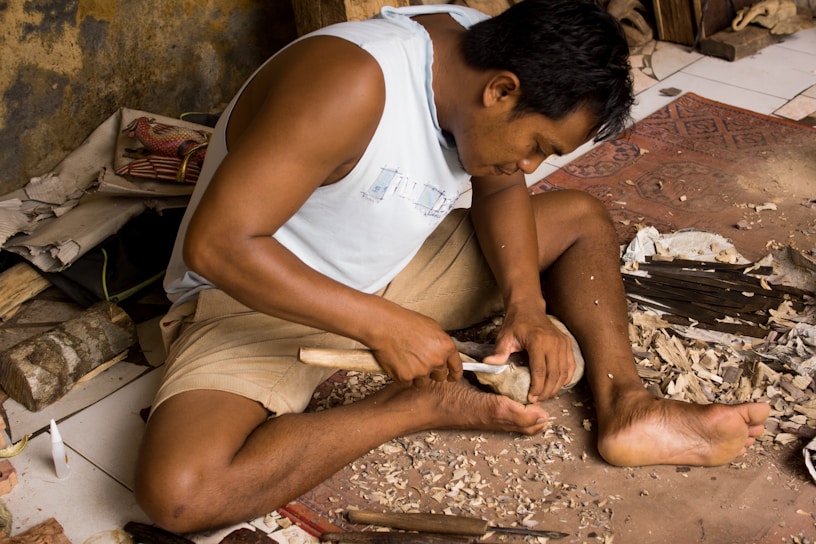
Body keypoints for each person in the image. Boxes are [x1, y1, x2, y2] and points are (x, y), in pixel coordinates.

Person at [134, 0, 770, 533]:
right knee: (181, 497)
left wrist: (527, 303)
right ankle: (413, 406)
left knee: (578, 218)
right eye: (537, 147)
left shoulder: (477, 56)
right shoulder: (349, 82)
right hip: (264, 291)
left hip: (397, 264)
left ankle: (627, 405)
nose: (529, 168)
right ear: (501, 91)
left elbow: (497, 185)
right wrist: (384, 326)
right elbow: (218, 245)